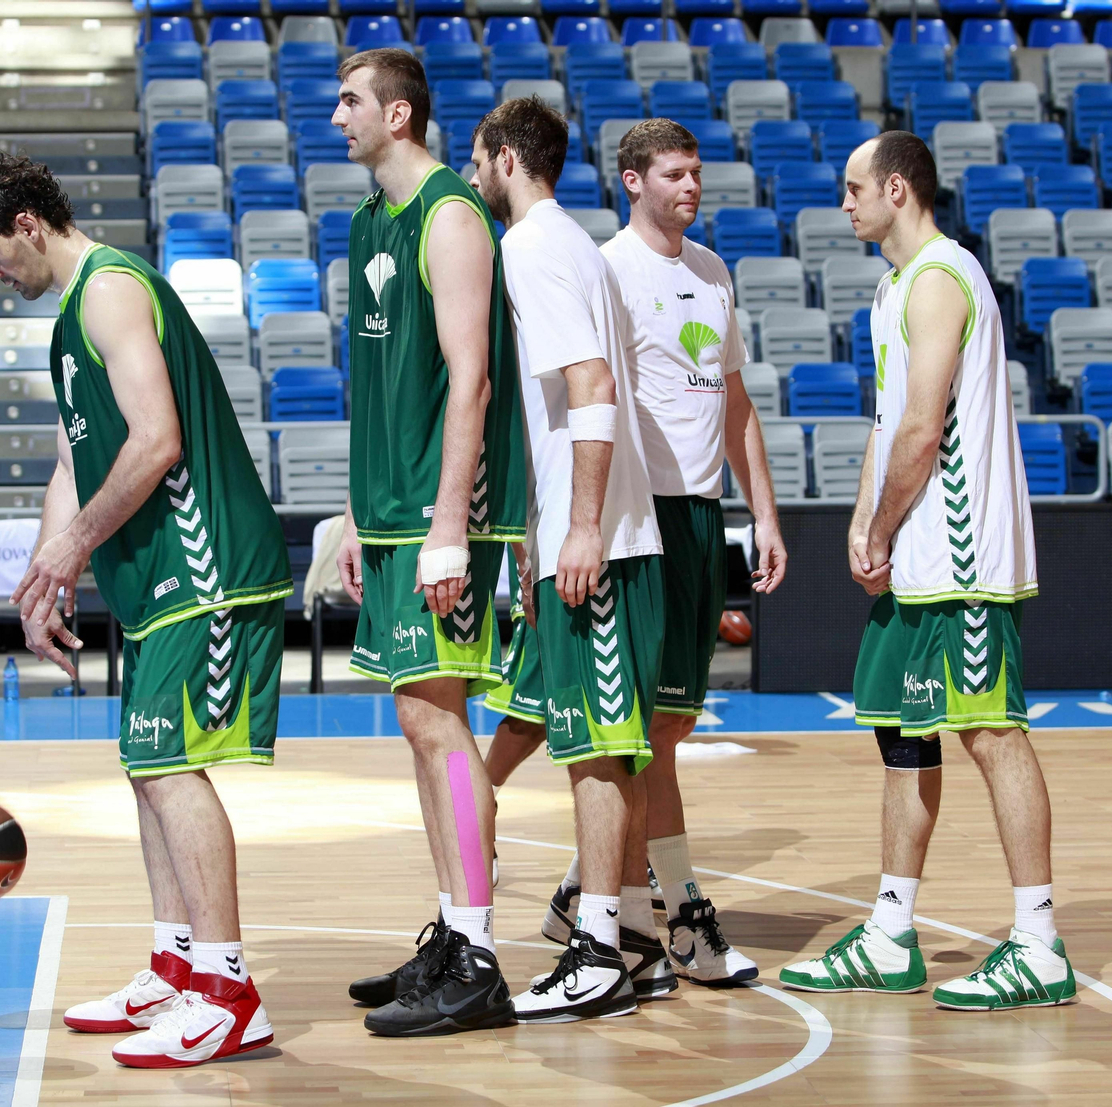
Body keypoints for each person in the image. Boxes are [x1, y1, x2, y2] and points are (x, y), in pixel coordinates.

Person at [0, 152, 293, 1066]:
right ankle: (176, 968)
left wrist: (75, 546)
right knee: (148, 765)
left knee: (172, 767)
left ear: (28, 224)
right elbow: (73, 464)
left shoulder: (109, 290)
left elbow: (157, 439)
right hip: (156, 580)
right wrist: (45, 576)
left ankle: (228, 992)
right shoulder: (69, 321)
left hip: (207, 563)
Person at [484, 120, 790, 990]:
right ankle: (661, 913)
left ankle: (593, 896)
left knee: (664, 727)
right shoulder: (604, 266)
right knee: (608, 725)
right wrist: (543, 531)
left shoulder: (714, 273)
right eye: (674, 173)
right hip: (628, 517)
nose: (691, 185)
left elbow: (734, 404)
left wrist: (763, 513)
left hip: (698, 518)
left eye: (696, 172)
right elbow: (561, 405)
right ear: (632, 181)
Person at [779, 131, 1074, 1010]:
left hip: (962, 555)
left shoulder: (943, 277)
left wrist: (883, 522)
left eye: (854, 187)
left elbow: (922, 427)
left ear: (898, 189)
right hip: (915, 553)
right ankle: (891, 933)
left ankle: (1039, 943)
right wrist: (862, 524)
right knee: (902, 735)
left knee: (992, 733)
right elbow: (886, 423)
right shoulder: (893, 285)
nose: (845, 202)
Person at [331, 48, 525, 1037]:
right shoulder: (370, 219)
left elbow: (470, 379)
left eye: (350, 101)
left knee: (441, 726)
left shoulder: (450, 216)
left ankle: (478, 955)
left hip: (441, 512)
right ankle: (453, 931)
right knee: (421, 723)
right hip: (390, 509)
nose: (338, 118)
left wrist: (449, 525)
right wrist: (354, 514)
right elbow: (377, 387)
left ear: (398, 114)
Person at [472, 96, 670, 1021]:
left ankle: (596, 951)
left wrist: (579, 527)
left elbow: (591, 388)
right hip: (591, 532)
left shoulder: (531, 248)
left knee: (595, 748)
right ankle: (631, 937)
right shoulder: (578, 246)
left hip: (599, 541)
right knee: (610, 747)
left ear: (508, 160)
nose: (475, 174)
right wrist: (536, 531)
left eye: (480, 158)